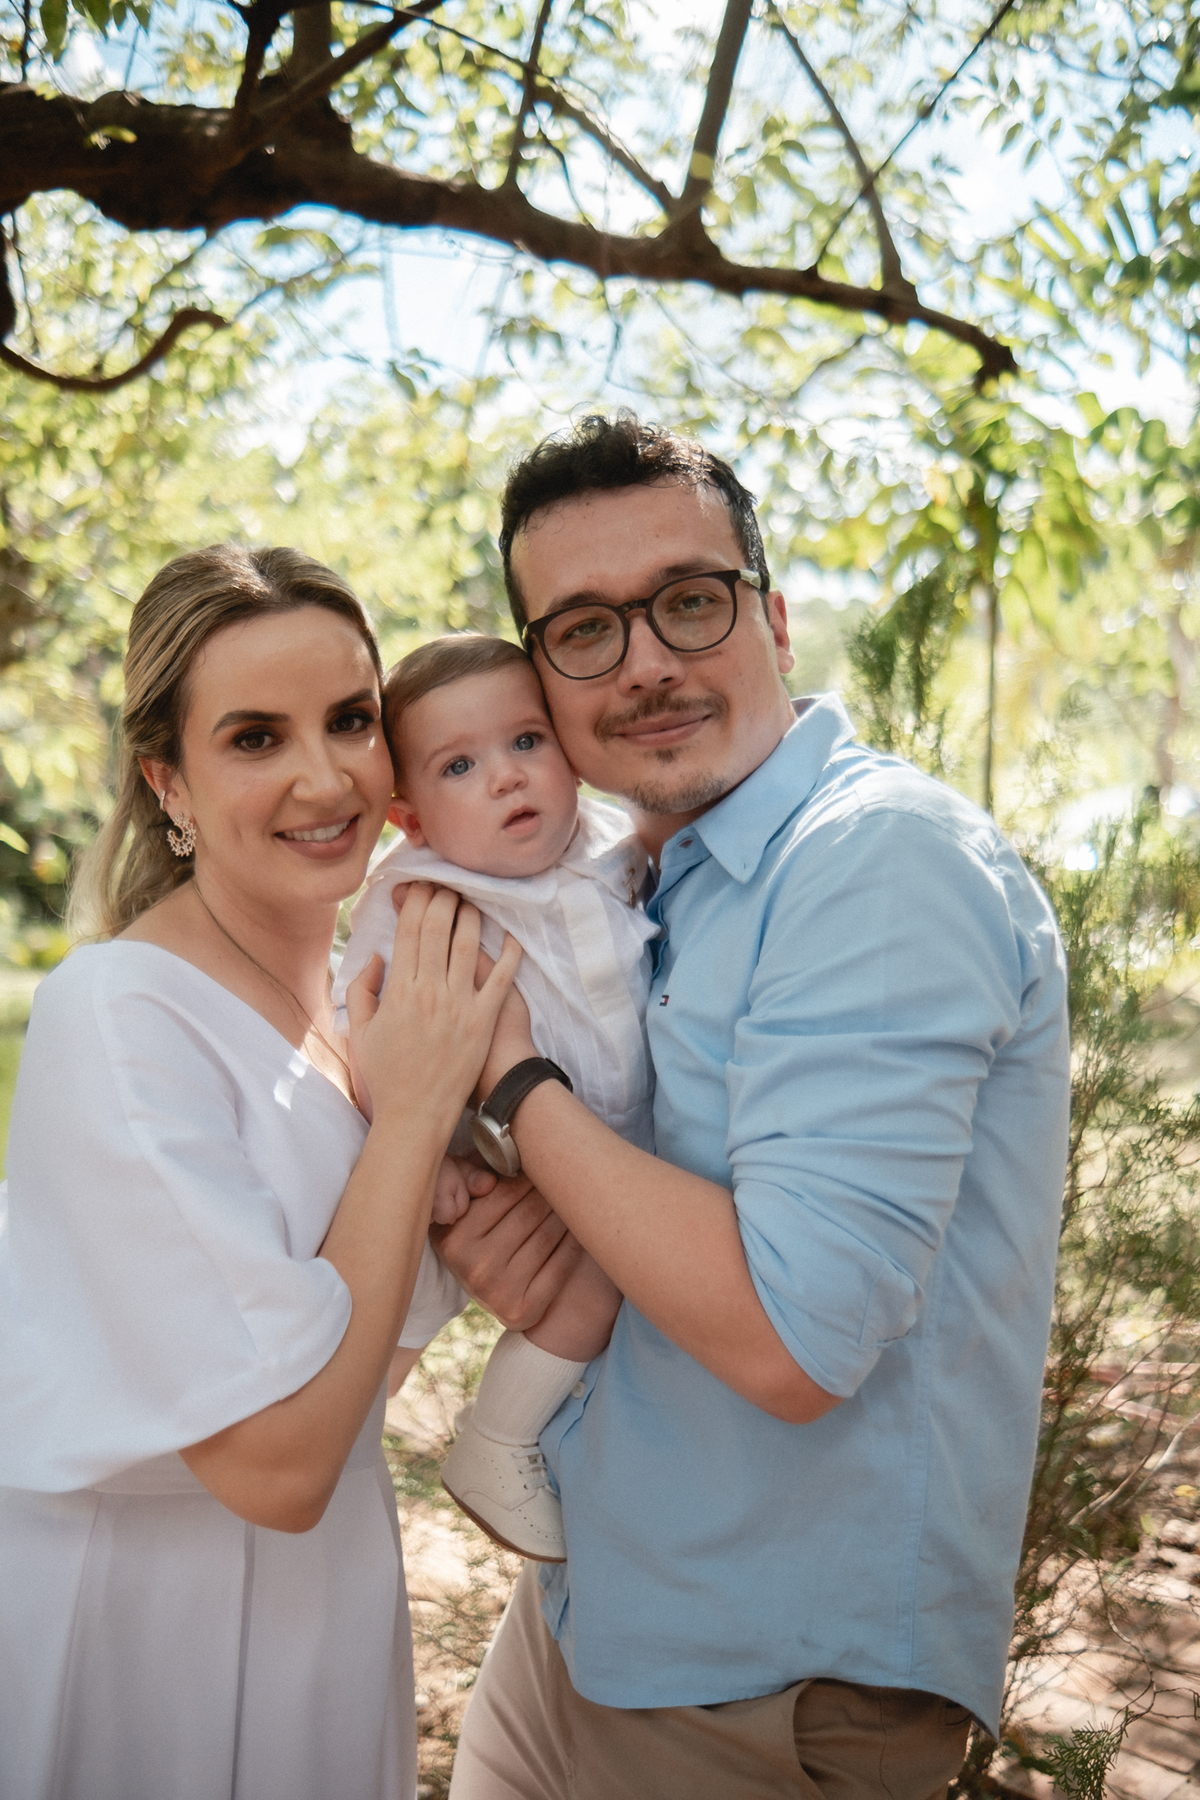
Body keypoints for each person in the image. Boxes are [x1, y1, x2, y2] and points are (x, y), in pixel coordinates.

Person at [434, 414, 1072, 1800]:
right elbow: (650, 1230)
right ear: (543, 677)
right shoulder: (645, 884)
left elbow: (793, 1339)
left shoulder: (876, 864)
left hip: (760, 1697)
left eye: (687, 601)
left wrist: (515, 1081)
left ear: (772, 619)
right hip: (584, 1626)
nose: (644, 662)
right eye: (585, 629)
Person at [0, 544, 520, 1800]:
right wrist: (414, 1123)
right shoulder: (121, 1014)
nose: (324, 777)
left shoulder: (359, 1011)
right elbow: (276, 1465)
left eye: (351, 720)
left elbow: (356, 1388)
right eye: (254, 738)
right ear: (165, 779)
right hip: (146, 1624)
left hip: (322, 1602)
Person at [333, 631, 657, 1562]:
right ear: (410, 817)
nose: (507, 777)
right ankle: (439, 1446)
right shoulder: (423, 894)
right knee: (386, 1331)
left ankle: (501, 1440)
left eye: (526, 741)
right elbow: (364, 1025)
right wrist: (420, 1143)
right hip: (482, 1156)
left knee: (599, 1297)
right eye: (460, 766)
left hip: (613, 1159)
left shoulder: (619, 848)